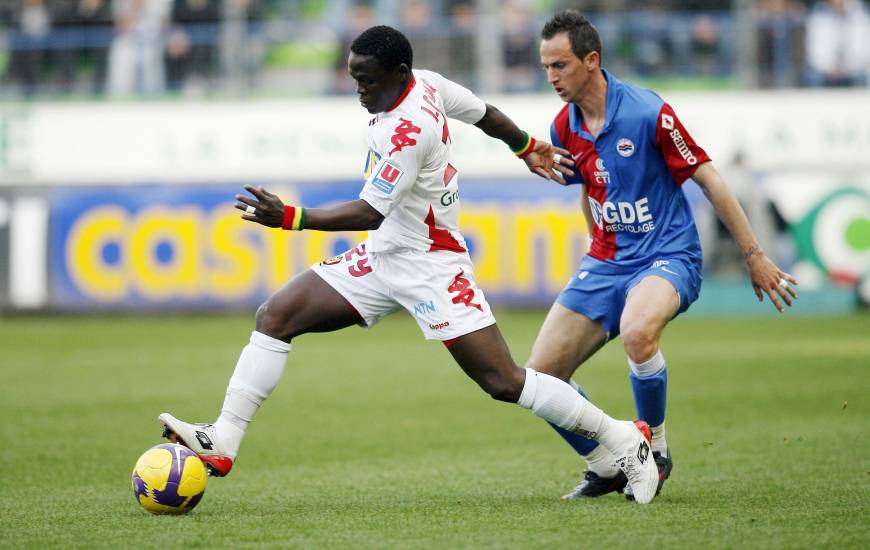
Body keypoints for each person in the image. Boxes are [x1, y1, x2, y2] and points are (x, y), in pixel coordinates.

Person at [159, 25, 664, 504]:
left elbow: (368, 210)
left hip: (430, 264)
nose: (358, 89)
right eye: (354, 77)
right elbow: (484, 113)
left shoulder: (409, 128)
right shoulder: (427, 84)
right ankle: (223, 439)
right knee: (275, 316)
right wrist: (527, 146)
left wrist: (291, 217)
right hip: (385, 255)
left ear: (399, 73)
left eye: (368, 80)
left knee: (504, 381)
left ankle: (625, 439)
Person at [529, 10, 799, 500]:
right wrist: (595, 242)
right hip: (607, 260)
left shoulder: (648, 112)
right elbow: (589, 186)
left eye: (560, 66)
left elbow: (710, 178)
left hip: (666, 254)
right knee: (539, 377)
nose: (551, 77)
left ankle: (654, 451)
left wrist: (753, 253)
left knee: (637, 331)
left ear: (592, 60)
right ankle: (608, 463)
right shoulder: (563, 124)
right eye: (546, 67)